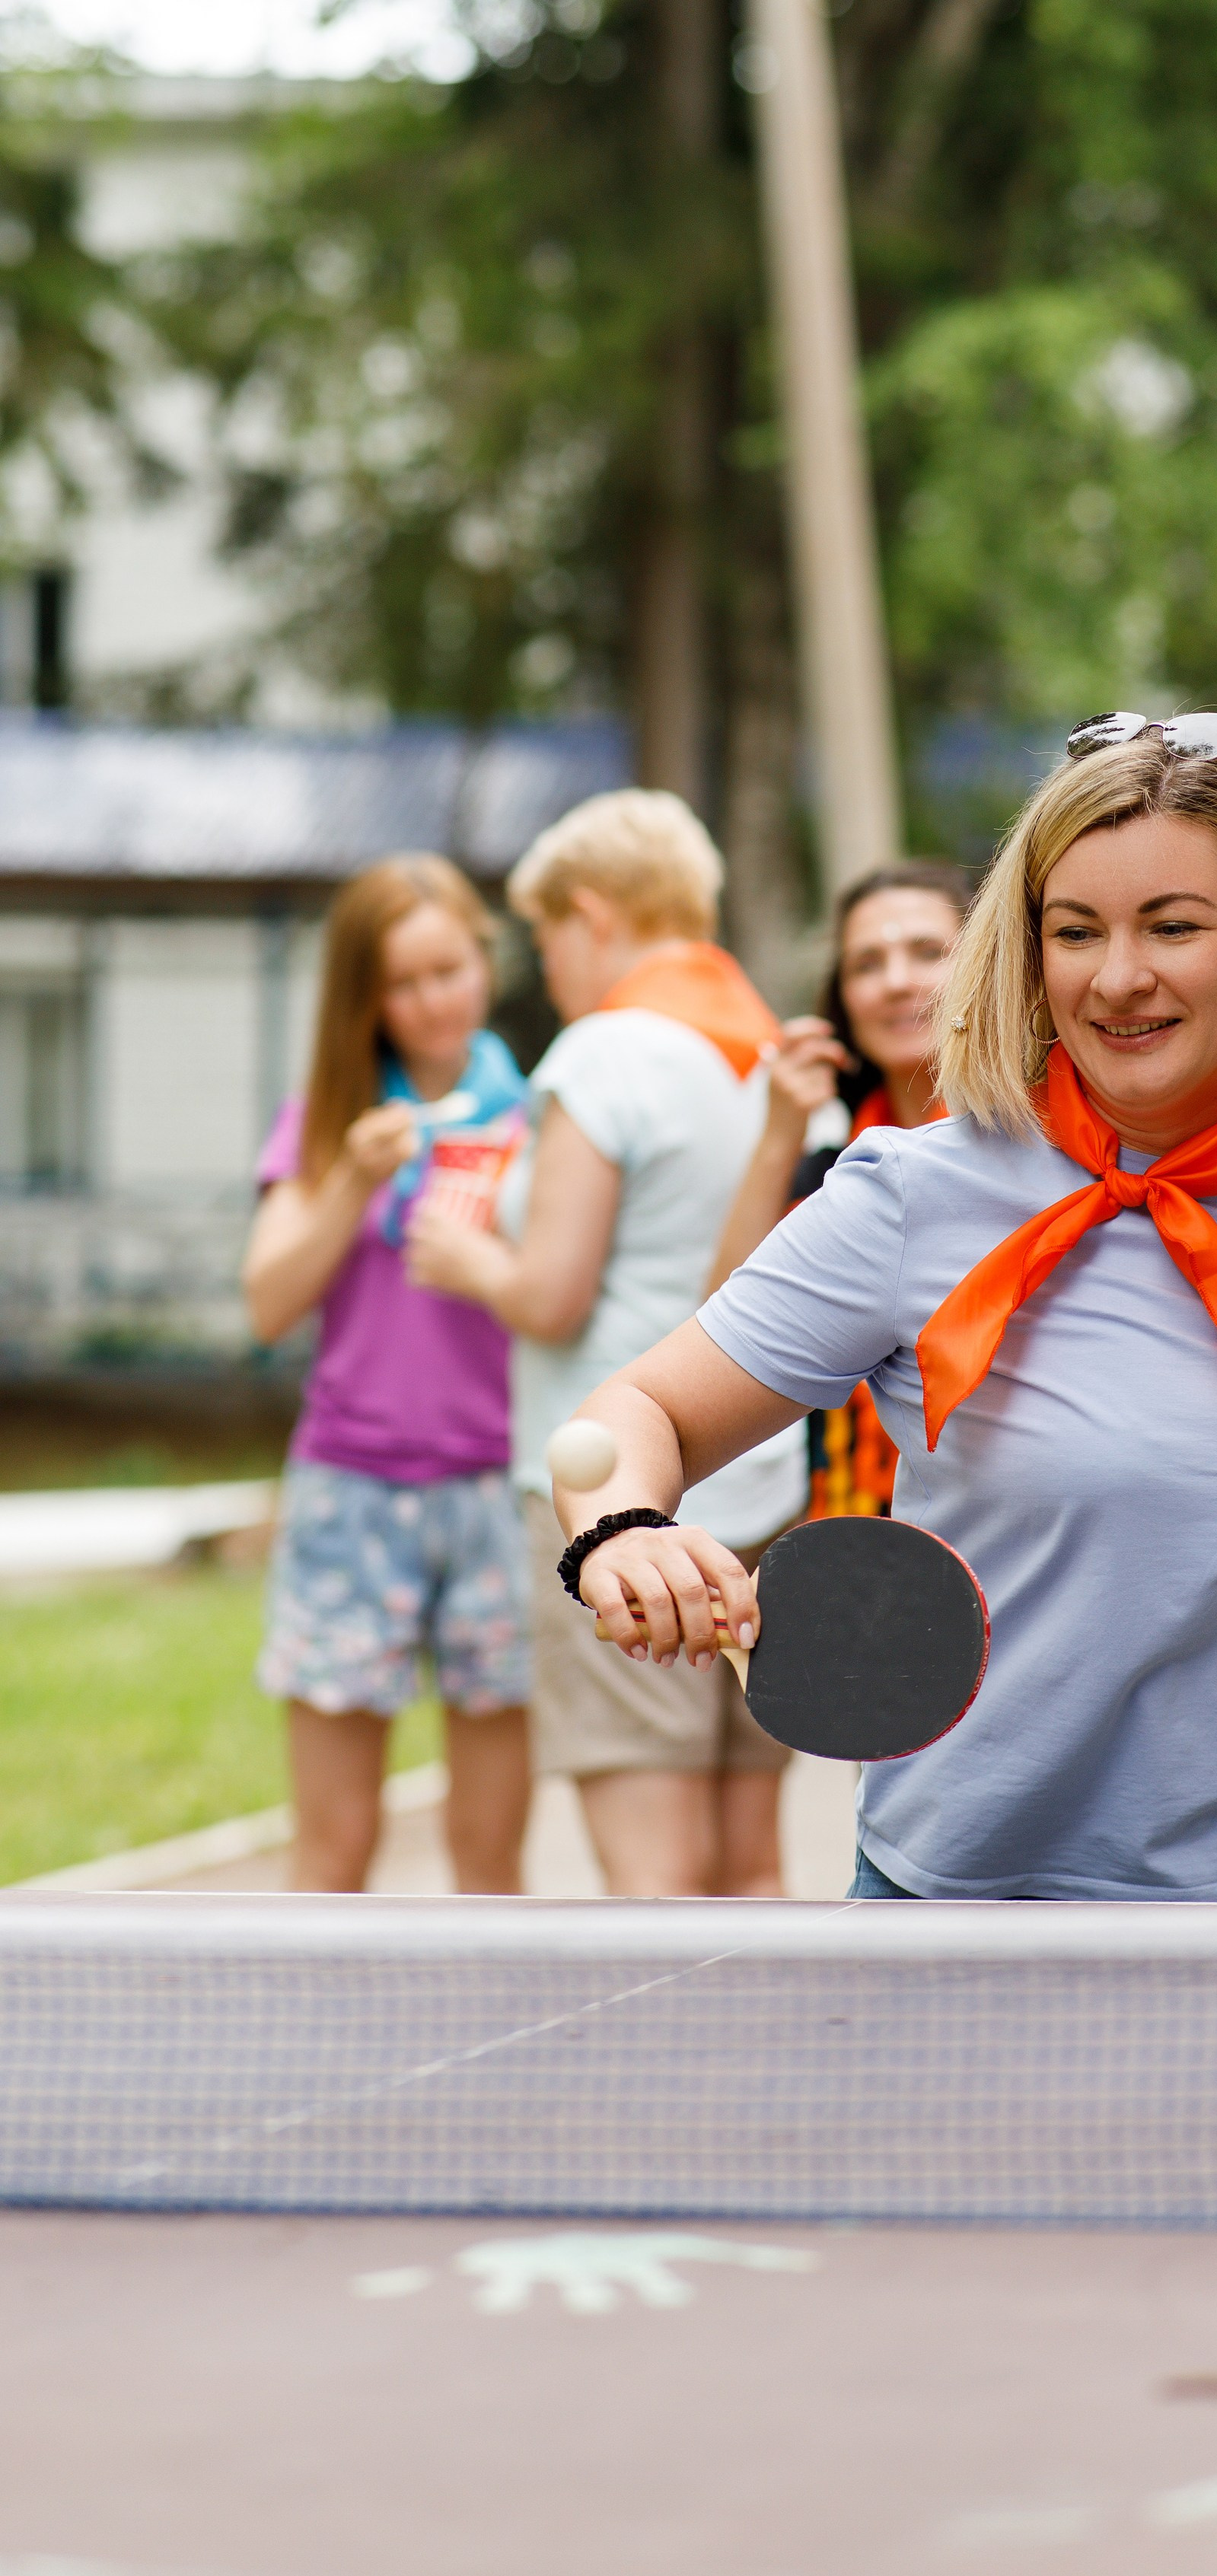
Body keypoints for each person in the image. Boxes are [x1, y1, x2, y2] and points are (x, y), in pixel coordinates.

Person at [548, 711, 1217, 1903]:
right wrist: (624, 1531)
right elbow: (637, 1408)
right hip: (960, 1915)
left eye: (1173, 927)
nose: (1117, 977)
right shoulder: (915, 1193)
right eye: (1075, 932)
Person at [405, 788, 808, 1899]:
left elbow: (553, 1295)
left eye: (544, 934)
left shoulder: (602, 1054)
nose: (549, 960)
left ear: (589, 913)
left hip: (616, 1499)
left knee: (651, 1877)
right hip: (765, 1475)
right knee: (750, 1861)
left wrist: (464, 1255)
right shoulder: (768, 1049)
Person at [242, 855, 533, 1894]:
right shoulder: (327, 1119)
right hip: (349, 1491)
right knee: (335, 1848)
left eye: (448, 970)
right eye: (401, 985)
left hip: (500, 1490)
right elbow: (269, 1302)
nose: (430, 1002)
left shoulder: (542, 1116)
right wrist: (352, 1180)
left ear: (483, 960)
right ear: (363, 998)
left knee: (490, 1853)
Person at [708, 861, 974, 1517]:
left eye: (926, 953)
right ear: (841, 1003)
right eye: (865, 964)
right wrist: (779, 1136)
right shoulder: (833, 1174)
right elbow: (727, 1330)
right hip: (850, 1538)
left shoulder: (1040, 1150)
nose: (895, 983)